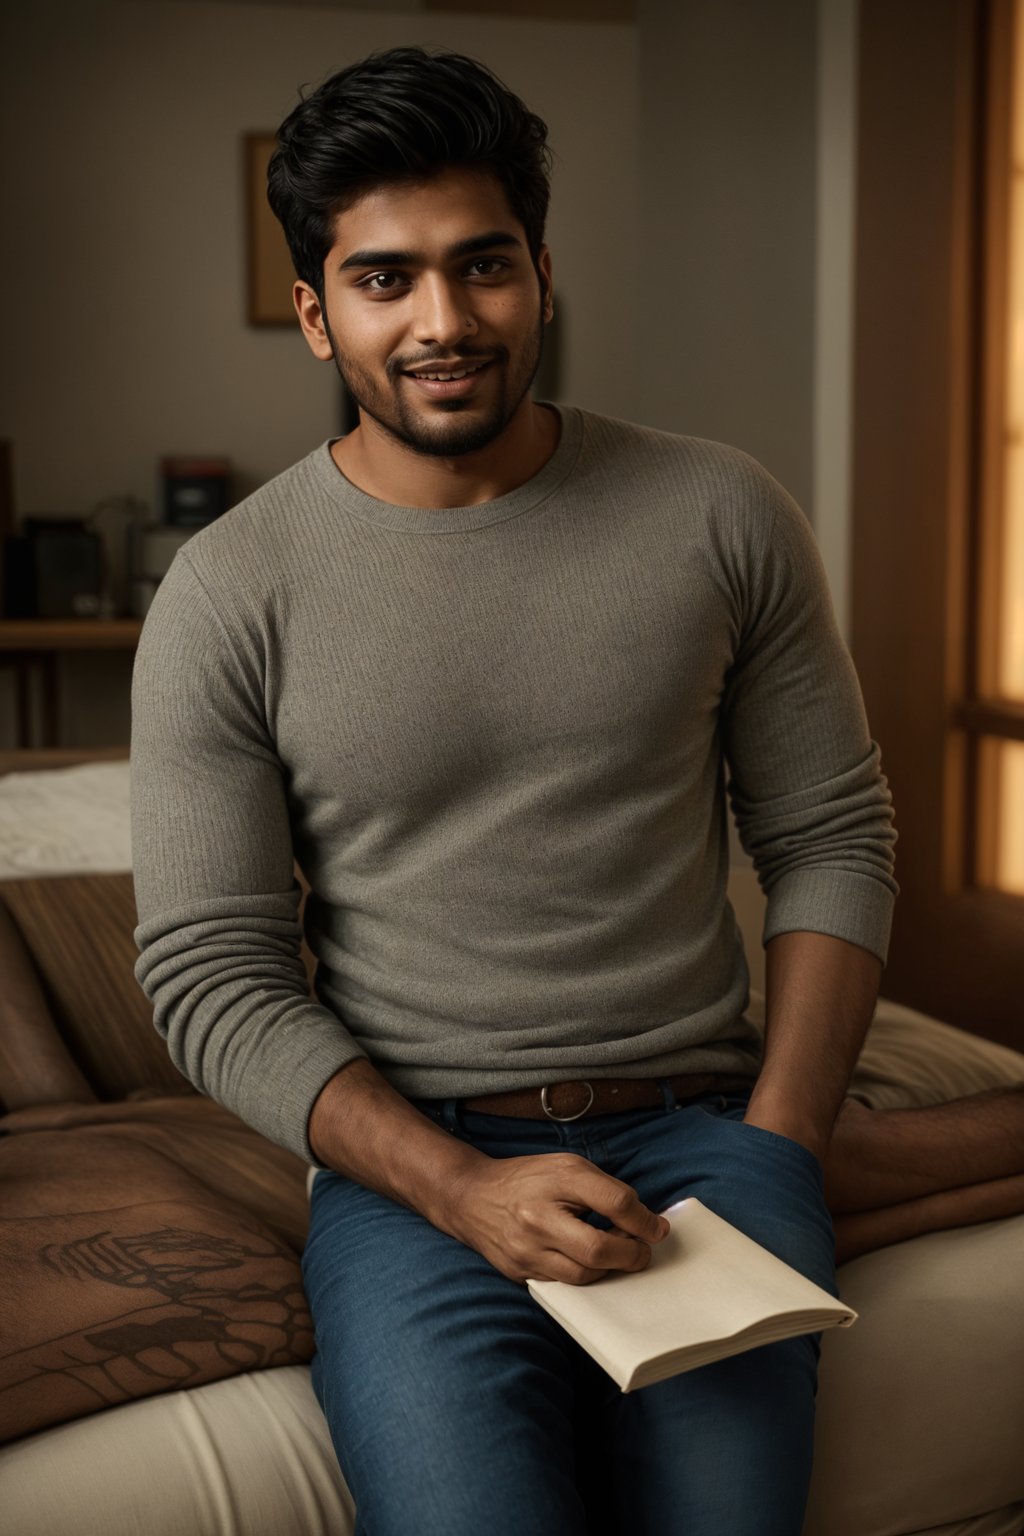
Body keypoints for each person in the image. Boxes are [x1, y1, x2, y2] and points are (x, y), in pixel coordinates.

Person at [129, 45, 904, 1535]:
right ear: (315, 312)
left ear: (542, 273)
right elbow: (211, 973)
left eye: (482, 267)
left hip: (707, 1127)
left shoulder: (722, 511)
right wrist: (453, 1190)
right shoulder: (229, 590)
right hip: (416, 1157)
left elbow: (832, 835)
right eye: (384, 280)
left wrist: (785, 1141)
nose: (441, 322)